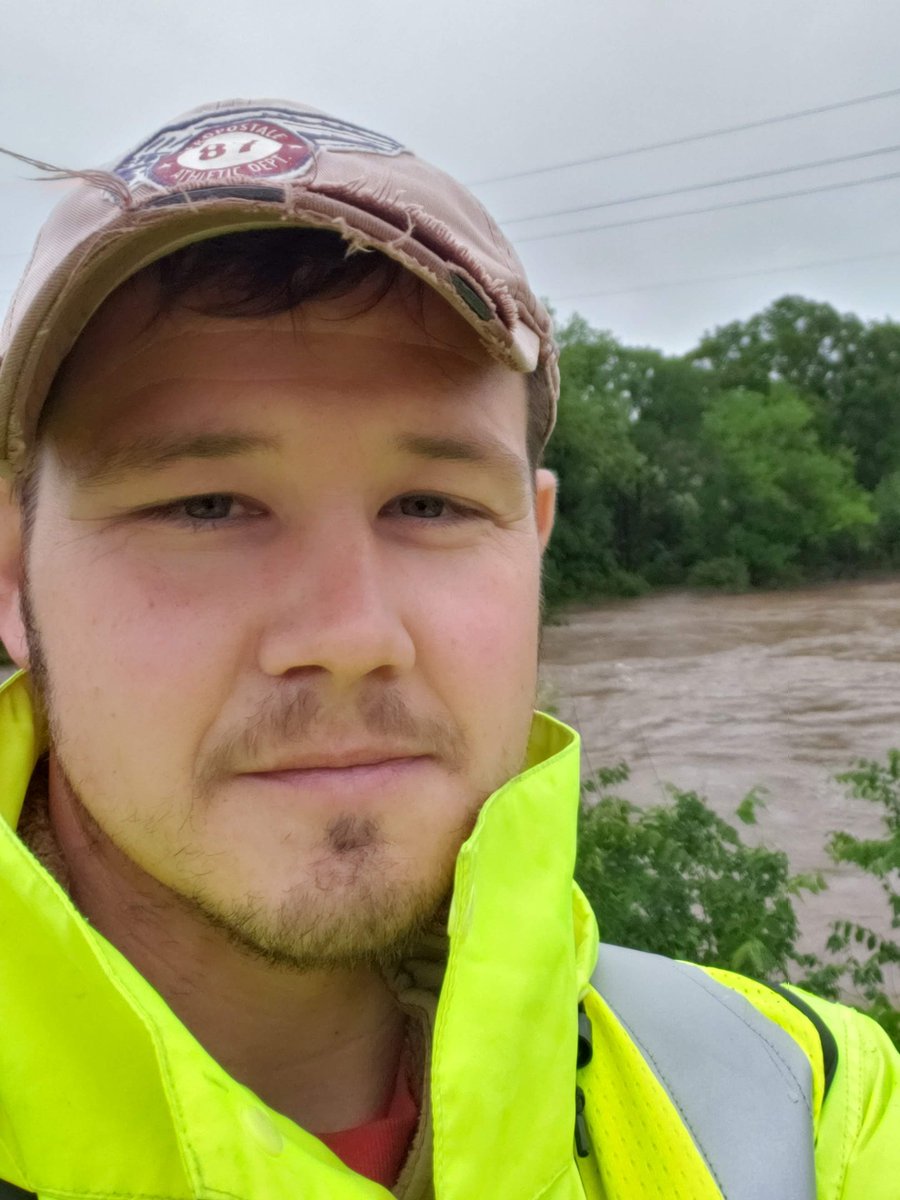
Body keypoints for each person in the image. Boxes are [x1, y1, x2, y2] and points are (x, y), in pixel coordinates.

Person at [0, 99, 896, 1200]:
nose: (348, 637)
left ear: (535, 543)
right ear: (10, 569)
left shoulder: (796, 1105)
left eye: (430, 503)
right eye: (207, 506)